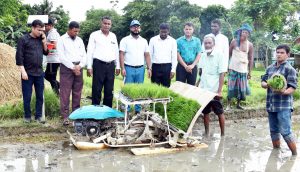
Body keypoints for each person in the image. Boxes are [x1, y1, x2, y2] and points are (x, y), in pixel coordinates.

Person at [261, 44, 298, 156]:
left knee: (285, 132)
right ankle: (276, 153)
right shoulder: (270, 68)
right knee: (273, 131)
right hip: (271, 105)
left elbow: (292, 87)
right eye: (277, 52)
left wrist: (283, 91)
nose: (279, 54)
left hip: (284, 106)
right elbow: (263, 81)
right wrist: (266, 84)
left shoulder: (290, 69)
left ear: (287, 55)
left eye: (282, 52)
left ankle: (295, 155)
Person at [15, 19, 48, 123]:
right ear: (33, 28)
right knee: (27, 96)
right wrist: (23, 71)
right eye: (39, 30)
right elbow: (19, 56)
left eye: (42, 30)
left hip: (39, 72)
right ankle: (27, 116)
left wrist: (44, 42)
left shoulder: (40, 39)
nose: (41, 32)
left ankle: (38, 116)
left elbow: (46, 52)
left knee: (40, 96)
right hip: (27, 73)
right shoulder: (23, 39)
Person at [57, 21, 87, 126]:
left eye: (78, 31)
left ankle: (76, 114)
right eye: (75, 31)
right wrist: (72, 67)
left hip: (79, 67)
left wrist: (80, 65)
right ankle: (65, 116)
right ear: (69, 29)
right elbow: (61, 56)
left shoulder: (79, 40)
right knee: (65, 92)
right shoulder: (61, 40)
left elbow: (84, 55)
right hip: (66, 68)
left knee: (77, 92)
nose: (76, 33)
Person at [87, 16, 120, 107]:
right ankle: (95, 110)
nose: (106, 25)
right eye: (105, 23)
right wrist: (89, 66)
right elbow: (90, 51)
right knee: (97, 88)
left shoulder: (113, 36)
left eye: (108, 24)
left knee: (109, 89)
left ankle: (107, 111)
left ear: (111, 25)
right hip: (98, 64)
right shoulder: (94, 35)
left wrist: (118, 66)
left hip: (110, 65)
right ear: (101, 23)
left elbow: (116, 51)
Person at [119, 19, 151, 113]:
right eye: (134, 27)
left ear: (140, 28)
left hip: (141, 69)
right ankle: (126, 109)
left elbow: (147, 55)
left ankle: (138, 109)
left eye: (138, 27)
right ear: (130, 28)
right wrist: (122, 68)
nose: (136, 29)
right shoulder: (125, 40)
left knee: (139, 89)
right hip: (128, 68)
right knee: (127, 89)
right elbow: (121, 54)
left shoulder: (144, 41)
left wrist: (149, 68)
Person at [198, 35, 226, 136]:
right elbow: (201, 73)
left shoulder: (219, 55)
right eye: (205, 43)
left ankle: (223, 134)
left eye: (209, 43)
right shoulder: (203, 55)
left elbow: (222, 74)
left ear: (213, 44)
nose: (207, 45)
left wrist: (219, 91)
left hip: (214, 90)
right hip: (204, 89)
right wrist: (197, 87)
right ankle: (206, 133)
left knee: (219, 112)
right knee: (205, 112)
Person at [226, 23, 254, 110]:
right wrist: (227, 66)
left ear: (249, 34)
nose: (244, 34)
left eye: (246, 32)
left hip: (243, 69)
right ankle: (228, 104)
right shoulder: (234, 41)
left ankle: (238, 104)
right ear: (240, 32)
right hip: (233, 68)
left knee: (241, 88)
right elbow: (228, 54)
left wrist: (250, 72)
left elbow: (251, 58)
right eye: (243, 32)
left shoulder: (250, 45)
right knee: (231, 86)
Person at [149, 23, 177, 87]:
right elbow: (150, 55)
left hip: (167, 67)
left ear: (168, 31)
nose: (163, 34)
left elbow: (174, 56)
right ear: (159, 30)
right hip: (155, 67)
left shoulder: (173, 41)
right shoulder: (153, 40)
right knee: (154, 88)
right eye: (162, 32)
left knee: (166, 88)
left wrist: (173, 70)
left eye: (165, 32)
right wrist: (149, 68)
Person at [44, 18, 60, 95]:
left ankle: (57, 95)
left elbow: (54, 46)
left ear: (50, 26)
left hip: (53, 60)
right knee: (47, 76)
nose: (44, 27)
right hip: (52, 59)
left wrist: (45, 50)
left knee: (51, 78)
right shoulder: (51, 33)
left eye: (45, 26)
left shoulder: (52, 33)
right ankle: (60, 86)